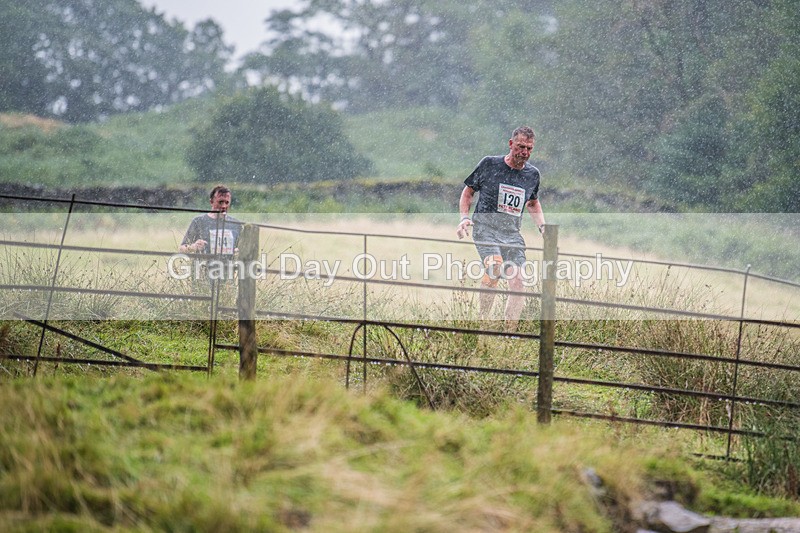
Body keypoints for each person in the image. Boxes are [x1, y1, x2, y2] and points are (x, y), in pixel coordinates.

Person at [456, 126, 546, 331]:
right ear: (511, 144)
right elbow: (468, 192)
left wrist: (543, 227)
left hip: (512, 234)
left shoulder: (532, 174)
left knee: (518, 281)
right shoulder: (490, 164)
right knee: (495, 267)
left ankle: (510, 332)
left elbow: (532, 203)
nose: (525, 152)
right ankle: (483, 323)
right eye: (521, 146)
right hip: (486, 228)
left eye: (529, 149)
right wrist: (463, 218)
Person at [180, 184, 241, 256]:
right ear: (211, 202)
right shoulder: (198, 222)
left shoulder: (236, 224)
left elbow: (242, 249)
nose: (224, 206)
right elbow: (182, 249)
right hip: (202, 266)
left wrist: (238, 252)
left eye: (227, 202)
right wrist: (193, 247)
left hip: (228, 266)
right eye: (220, 202)